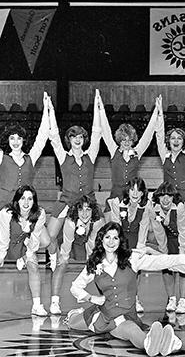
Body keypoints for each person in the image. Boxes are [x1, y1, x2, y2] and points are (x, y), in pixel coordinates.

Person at [66, 221, 185, 357]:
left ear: (120, 241)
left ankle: (152, 344)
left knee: (131, 329)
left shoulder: (132, 259)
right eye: (107, 237)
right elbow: (75, 287)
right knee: (72, 323)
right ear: (101, 239)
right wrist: (92, 298)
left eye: (115, 238)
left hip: (126, 316)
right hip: (104, 316)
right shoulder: (95, 263)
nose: (111, 242)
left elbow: (160, 261)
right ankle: (75, 313)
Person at [46, 90, 102, 270]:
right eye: (73, 136)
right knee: (50, 236)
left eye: (80, 137)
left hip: (88, 202)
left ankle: (97, 263)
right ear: (69, 139)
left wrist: (98, 107)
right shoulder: (63, 157)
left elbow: (97, 133)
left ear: (83, 139)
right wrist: (50, 111)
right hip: (66, 201)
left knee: (100, 232)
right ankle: (54, 259)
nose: (77, 140)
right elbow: (53, 136)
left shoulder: (90, 156)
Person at [99, 92, 161, 221]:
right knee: (110, 226)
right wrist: (100, 108)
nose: (126, 142)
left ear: (133, 140)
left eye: (129, 140)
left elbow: (149, 133)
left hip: (132, 196)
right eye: (123, 139)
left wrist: (156, 111)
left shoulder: (137, 152)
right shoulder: (113, 150)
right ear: (119, 140)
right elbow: (105, 129)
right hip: (115, 196)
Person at [155, 94, 185, 239]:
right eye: (173, 138)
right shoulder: (164, 155)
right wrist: (159, 113)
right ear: (168, 141)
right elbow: (159, 134)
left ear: (183, 141)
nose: (176, 141)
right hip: (168, 198)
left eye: (179, 138)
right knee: (168, 234)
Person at [49, 195, 105, 315]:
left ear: (92, 211)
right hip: (71, 240)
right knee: (62, 262)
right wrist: (63, 259)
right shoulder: (70, 222)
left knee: (100, 266)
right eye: (81, 210)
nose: (84, 214)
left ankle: (107, 299)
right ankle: (54, 301)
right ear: (76, 211)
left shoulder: (98, 222)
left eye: (88, 209)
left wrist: (94, 263)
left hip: (93, 243)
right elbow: (67, 243)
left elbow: (92, 246)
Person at [0, 185, 49, 316]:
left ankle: (37, 305)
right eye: (22, 198)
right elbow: (4, 237)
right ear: (17, 200)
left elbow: (35, 236)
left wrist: (28, 254)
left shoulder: (40, 213)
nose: (26, 203)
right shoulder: (6, 213)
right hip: (7, 241)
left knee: (33, 265)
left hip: (24, 243)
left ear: (34, 201)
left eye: (30, 199)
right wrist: (1, 255)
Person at [107, 176, 152, 313]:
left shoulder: (147, 205)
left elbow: (144, 226)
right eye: (132, 189)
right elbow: (115, 226)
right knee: (117, 269)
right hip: (121, 238)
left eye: (139, 190)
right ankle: (116, 299)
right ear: (128, 190)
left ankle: (134, 298)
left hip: (136, 238)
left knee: (134, 271)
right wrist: (117, 246)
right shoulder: (116, 202)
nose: (135, 193)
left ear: (143, 193)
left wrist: (140, 248)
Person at [0, 92, 50, 209]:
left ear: (24, 140)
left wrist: (46, 110)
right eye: (12, 138)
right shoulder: (2, 157)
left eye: (19, 138)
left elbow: (43, 136)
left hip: (25, 208)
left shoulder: (31, 157)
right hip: (3, 207)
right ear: (7, 140)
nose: (16, 142)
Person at [150, 181, 185, 314]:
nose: (166, 199)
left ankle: (183, 301)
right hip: (166, 240)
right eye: (162, 196)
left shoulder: (180, 207)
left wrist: (182, 251)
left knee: (184, 269)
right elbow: (159, 232)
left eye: (169, 195)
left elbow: (183, 230)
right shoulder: (154, 209)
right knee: (166, 269)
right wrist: (163, 252)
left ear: (174, 197)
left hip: (180, 239)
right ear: (158, 197)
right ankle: (172, 299)